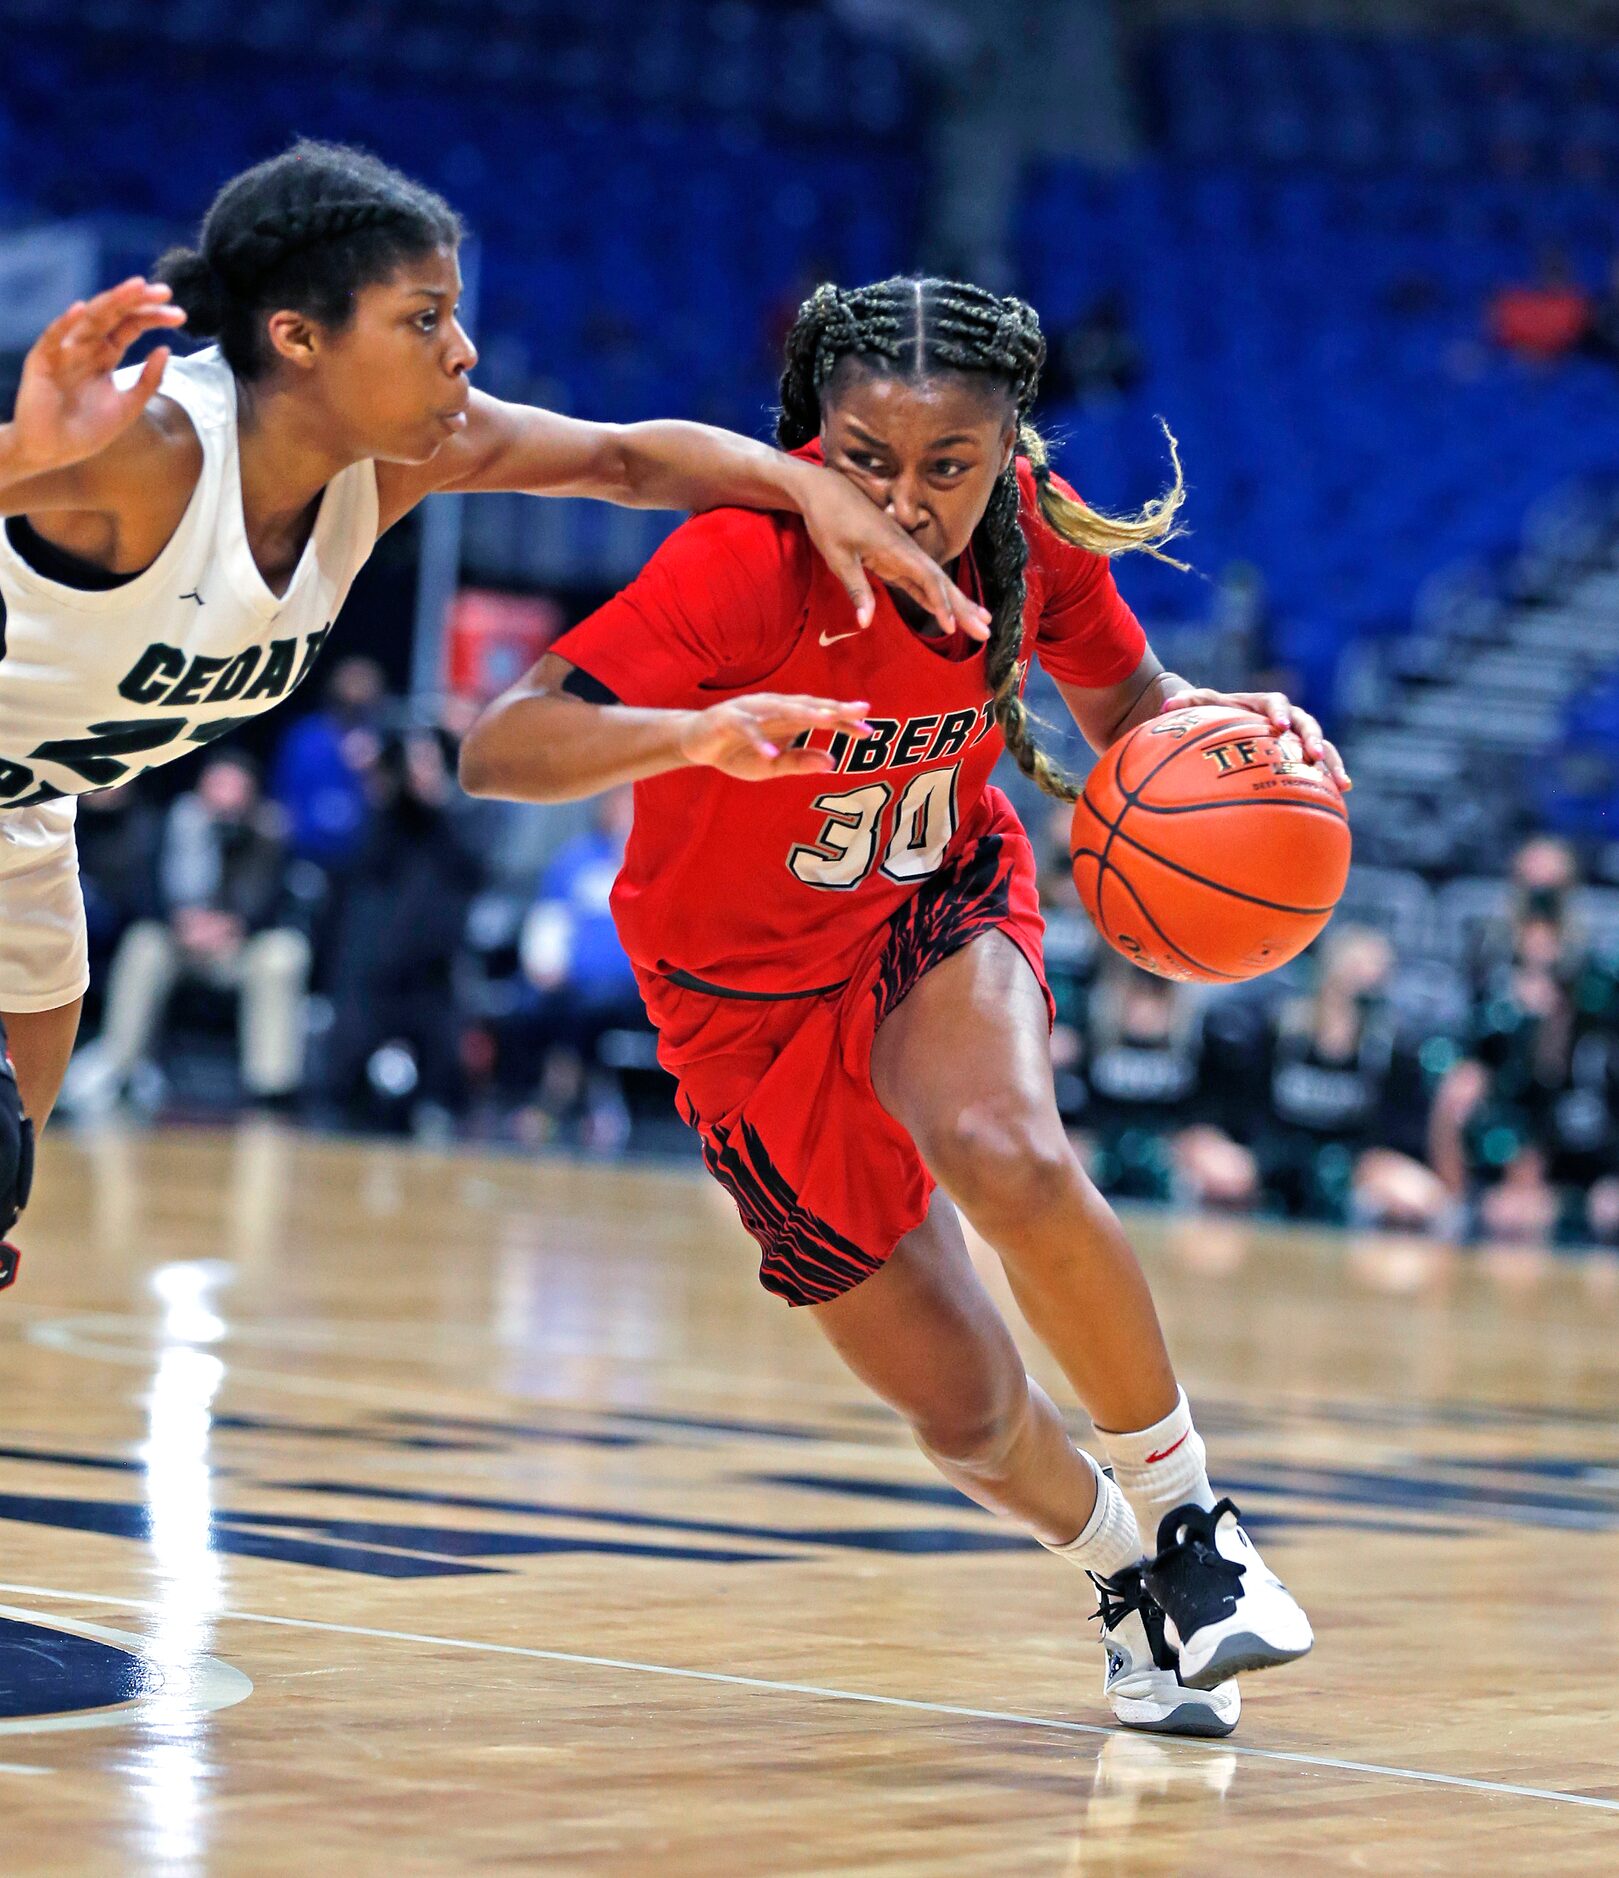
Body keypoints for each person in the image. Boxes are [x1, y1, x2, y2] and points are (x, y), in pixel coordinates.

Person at [461, 275, 1353, 1737]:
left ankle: (1190, 1520)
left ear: (1010, 451)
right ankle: (1121, 1573)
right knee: (964, 1409)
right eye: (867, 457)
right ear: (810, 432)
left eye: (949, 463)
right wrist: (692, 733)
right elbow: (501, 746)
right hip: (739, 1002)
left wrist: (1243, 736)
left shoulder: (1027, 548)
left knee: (1003, 1143)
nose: (909, 496)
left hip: (925, 901)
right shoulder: (739, 564)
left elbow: (1135, 712)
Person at [0, 140, 985, 1236]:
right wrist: (21, 454)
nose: (463, 351)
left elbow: (626, 463)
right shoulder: (155, 452)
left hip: (21, 808)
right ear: (299, 338)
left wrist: (809, 490)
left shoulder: (404, 460)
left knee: (10, 1155)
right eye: (423, 319)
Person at [65, 752, 308, 1113]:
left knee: (284, 954)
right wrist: (180, 923)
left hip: (238, 948)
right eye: (218, 783)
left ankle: (270, 1087)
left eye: (235, 786)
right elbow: (145, 894)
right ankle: (120, 1068)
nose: (225, 795)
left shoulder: (269, 833)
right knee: (143, 943)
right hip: (179, 943)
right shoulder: (173, 825)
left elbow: (275, 902)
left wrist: (235, 925)